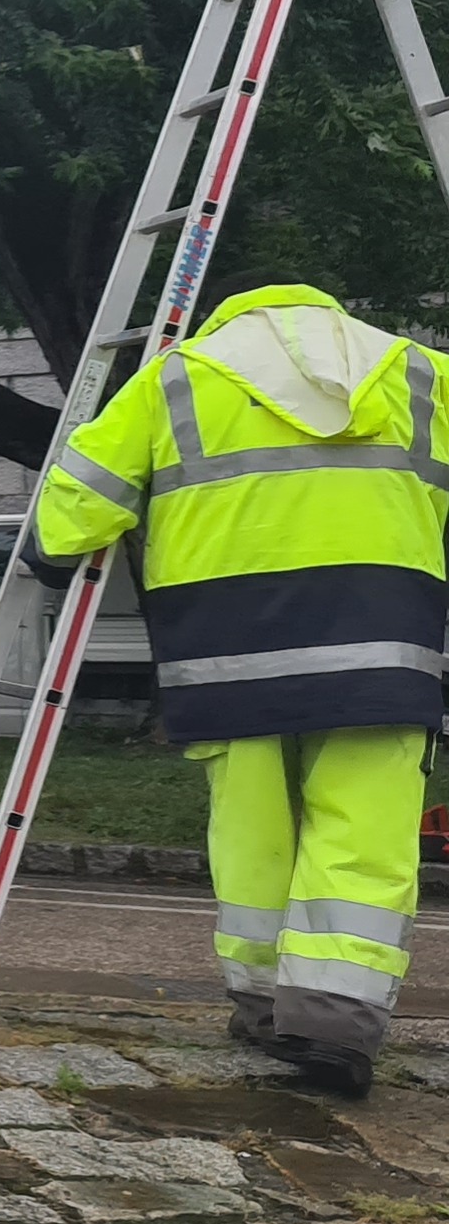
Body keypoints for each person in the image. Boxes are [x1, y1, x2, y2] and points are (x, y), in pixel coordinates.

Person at [33, 276, 449, 1098]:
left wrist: (49, 551)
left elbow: (76, 505)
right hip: (383, 649)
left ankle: (263, 1007)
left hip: (227, 656)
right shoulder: (423, 374)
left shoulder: (177, 376)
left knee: (253, 833)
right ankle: (335, 1025)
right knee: (364, 836)